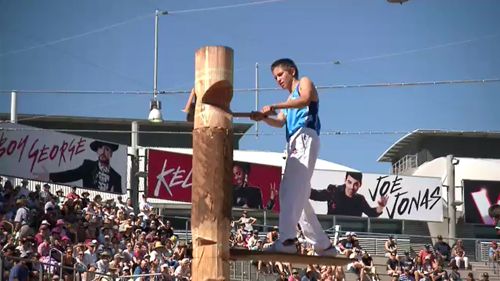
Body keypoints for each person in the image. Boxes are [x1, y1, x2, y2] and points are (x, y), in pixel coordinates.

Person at [250, 58, 335, 256]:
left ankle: (287, 240)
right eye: (275, 77)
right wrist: (263, 118)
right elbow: (280, 122)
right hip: (295, 142)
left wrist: (273, 105)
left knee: (289, 190)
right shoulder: (288, 101)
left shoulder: (304, 82)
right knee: (300, 198)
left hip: (304, 135)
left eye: (280, 75)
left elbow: (305, 99)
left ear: (292, 71)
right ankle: (324, 245)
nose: (278, 80)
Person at [35, 140, 122, 193]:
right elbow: (72, 175)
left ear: (111, 154)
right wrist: (50, 176)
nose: (103, 152)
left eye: (107, 149)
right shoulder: (89, 165)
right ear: (97, 151)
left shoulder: (116, 177)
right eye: (100, 148)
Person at [310, 172, 388, 217]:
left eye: (356, 184)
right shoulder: (334, 191)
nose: (352, 187)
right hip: (333, 233)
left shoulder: (360, 199)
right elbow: (316, 195)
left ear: (360, 185)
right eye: (349, 182)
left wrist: (381, 206)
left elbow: (372, 213)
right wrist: (301, 188)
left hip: (352, 233)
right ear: (345, 181)